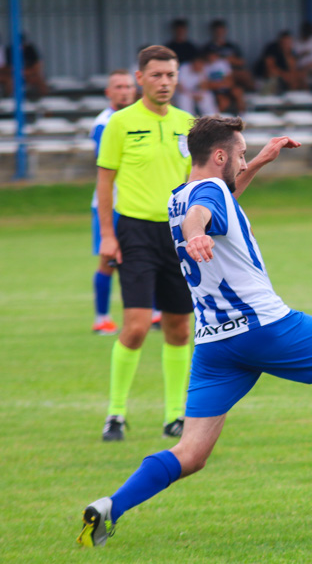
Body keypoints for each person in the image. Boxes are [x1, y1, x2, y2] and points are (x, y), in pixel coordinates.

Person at [76, 115, 312, 547]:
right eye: (240, 155)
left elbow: (217, 199)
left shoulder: (179, 196)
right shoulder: (204, 198)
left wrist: (259, 161)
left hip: (214, 344)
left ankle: (111, 505)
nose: (242, 162)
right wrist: (195, 235)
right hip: (262, 325)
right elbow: (203, 215)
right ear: (219, 155)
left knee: (190, 453)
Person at [95, 45, 195, 442]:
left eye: (170, 75)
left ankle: (175, 416)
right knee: (135, 328)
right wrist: (106, 234)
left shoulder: (188, 123)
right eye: (156, 75)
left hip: (177, 234)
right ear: (140, 79)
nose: (165, 82)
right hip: (134, 232)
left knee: (179, 328)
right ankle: (115, 414)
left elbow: (197, 182)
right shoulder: (119, 123)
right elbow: (105, 181)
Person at [90, 70, 137, 335]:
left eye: (128, 86)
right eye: (118, 86)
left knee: (144, 256)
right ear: (109, 92)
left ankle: (153, 313)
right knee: (108, 260)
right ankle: (102, 317)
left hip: (136, 202)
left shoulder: (139, 119)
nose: (124, 90)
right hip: (110, 204)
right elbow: (107, 167)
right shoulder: (104, 123)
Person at [204, 19, 255, 91]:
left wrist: (229, 60)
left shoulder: (231, 46)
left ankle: (254, 92)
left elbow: (242, 62)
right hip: (217, 72)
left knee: (245, 74)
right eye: (217, 31)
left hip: (232, 71)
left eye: (221, 31)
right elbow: (203, 63)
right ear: (213, 31)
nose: (219, 33)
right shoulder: (208, 47)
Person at [1, 33, 48, 98]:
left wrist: (27, 72)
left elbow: (38, 64)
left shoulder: (30, 49)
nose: (20, 46)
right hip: (14, 75)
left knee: (40, 80)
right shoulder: (9, 50)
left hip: (29, 74)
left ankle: (44, 99)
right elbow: (6, 66)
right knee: (10, 81)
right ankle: (11, 99)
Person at [203, 45, 246, 115]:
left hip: (226, 88)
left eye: (214, 54)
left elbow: (230, 80)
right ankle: (215, 121)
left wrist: (218, 84)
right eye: (210, 54)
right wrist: (220, 84)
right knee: (224, 102)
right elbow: (207, 84)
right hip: (215, 91)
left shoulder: (223, 63)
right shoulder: (204, 66)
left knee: (238, 91)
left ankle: (243, 114)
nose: (212, 56)